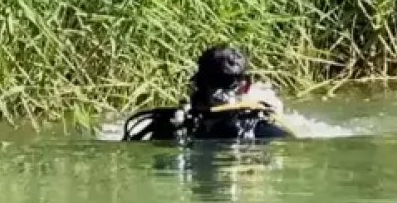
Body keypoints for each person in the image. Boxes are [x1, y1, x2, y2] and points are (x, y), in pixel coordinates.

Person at [122, 45, 293, 141]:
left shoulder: (258, 128)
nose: (219, 94)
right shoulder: (176, 124)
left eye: (226, 84)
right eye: (214, 82)